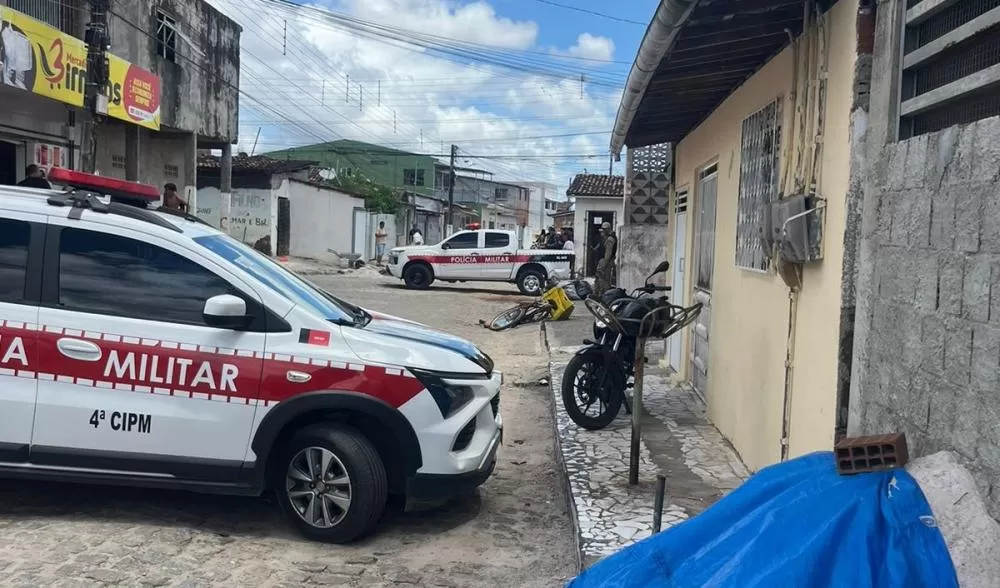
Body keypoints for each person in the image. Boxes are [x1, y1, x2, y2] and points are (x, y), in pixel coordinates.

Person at [593, 222, 618, 298]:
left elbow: (608, 254)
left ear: (607, 229)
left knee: (603, 279)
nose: (602, 232)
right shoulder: (608, 237)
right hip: (605, 260)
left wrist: (603, 265)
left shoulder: (610, 239)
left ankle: (603, 295)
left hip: (605, 261)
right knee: (601, 278)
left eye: (604, 230)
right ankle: (601, 294)